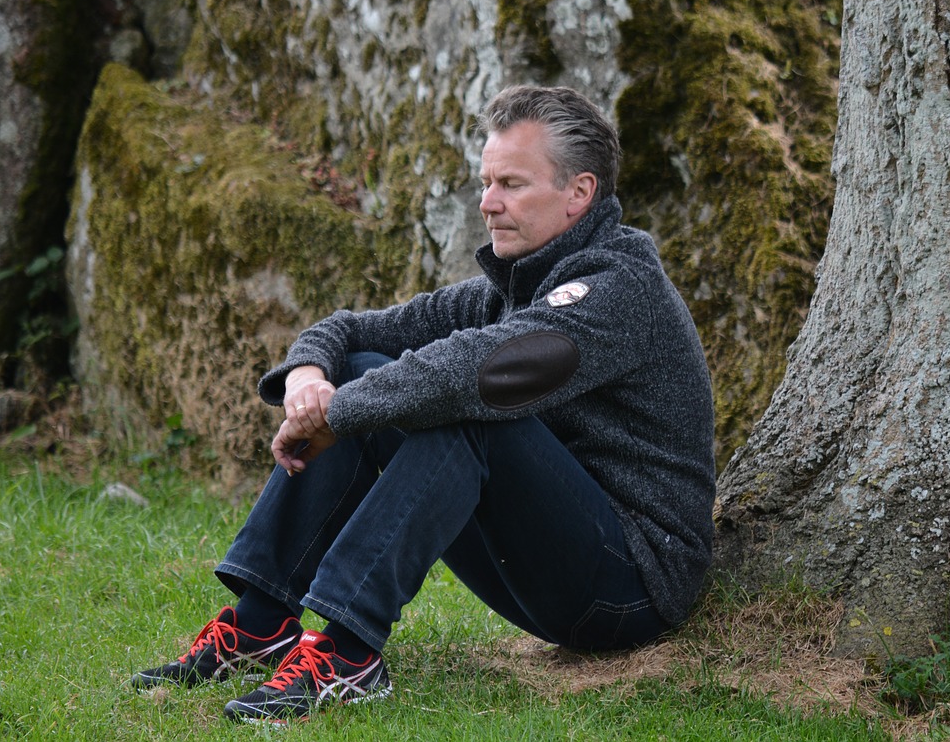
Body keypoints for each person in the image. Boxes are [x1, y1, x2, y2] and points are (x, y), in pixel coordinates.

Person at [131, 85, 716, 726]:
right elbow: (353, 332)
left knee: (461, 408)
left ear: (579, 193)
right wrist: (309, 379)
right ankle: (260, 625)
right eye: (486, 182)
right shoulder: (509, 288)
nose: (487, 205)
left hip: (628, 588)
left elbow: (480, 371)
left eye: (512, 185)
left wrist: (340, 411)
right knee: (361, 373)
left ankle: (349, 655)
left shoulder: (619, 287)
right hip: (547, 569)